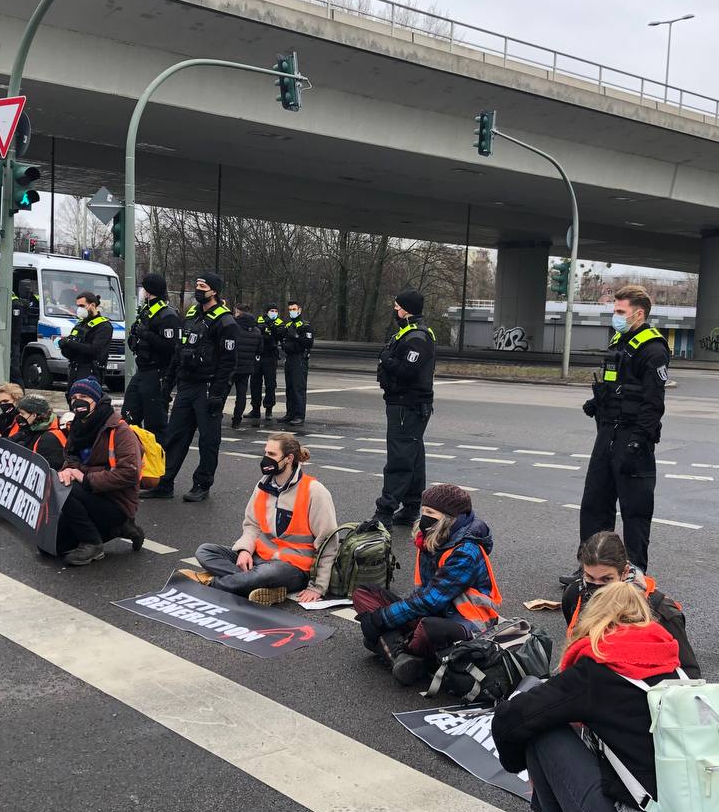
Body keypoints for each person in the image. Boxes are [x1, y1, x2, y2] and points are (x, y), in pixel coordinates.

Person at [492, 582, 714, 812]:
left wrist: (522, 763)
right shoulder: (676, 668)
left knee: (542, 729)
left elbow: (512, 720)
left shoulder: (596, 671)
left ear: (596, 618)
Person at [354, 484, 499, 685]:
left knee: (426, 628)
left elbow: (430, 601)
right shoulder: (432, 537)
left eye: (430, 513)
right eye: (423, 511)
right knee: (364, 593)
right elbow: (423, 600)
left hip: (467, 624)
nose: (423, 518)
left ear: (450, 517)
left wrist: (381, 620)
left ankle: (391, 646)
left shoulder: (466, 551)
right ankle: (403, 654)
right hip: (432, 613)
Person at [576, 284, 669, 577]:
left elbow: (653, 405)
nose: (615, 316)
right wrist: (597, 401)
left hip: (633, 438)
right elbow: (615, 384)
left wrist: (638, 443)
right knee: (595, 503)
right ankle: (590, 569)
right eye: (615, 310)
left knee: (635, 510)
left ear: (638, 313)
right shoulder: (619, 341)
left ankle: (635, 574)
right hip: (607, 434)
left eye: (620, 311)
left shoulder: (653, 350)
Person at [184, 432, 339, 604]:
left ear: (288, 459)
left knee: (267, 574)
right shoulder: (263, 485)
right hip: (260, 558)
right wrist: (245, 551)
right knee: (205, 551)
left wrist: (317, 587)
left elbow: (328, 542)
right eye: (265, 453)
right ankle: (257, 585)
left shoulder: (314, 491)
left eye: (272, 455)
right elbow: (252, 525)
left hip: (293, 567)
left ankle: (211, 583)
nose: (266, 459)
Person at [142, 273, 238, 503]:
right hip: (187, 385)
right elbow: (178, 350)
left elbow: (228, 362)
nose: (198, 290)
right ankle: (165, 483)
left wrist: (218, 393)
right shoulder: (192, 315)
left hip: (207, 387)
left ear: (214, 291)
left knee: (208, 440)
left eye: (202, 286)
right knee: (175, 436)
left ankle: (202, 484)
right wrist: (169, 382)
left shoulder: (225, 321)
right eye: (197, 285)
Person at [561, 531, 700, 676]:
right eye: (589, 577)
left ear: (625, 572)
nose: (596, 588)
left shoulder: (660, 610)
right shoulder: (574, 595)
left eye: (606, 579)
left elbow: (690, 674)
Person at [56, 377, 145, 566]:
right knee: (54, 546)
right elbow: (71, 458)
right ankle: (119, 529)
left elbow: (130, 473)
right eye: (74, 397)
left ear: (96, 400)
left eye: (83, 396)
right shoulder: (78, 426)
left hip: (116, 501)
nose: (77, 401)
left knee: (67, 490)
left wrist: (84, 477)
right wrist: (67, 470)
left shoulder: (119, 430)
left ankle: (93, 543)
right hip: (90, 495)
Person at [372, 289, 436, 529]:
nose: (395, 310)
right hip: (409, 404)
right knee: (414, 456)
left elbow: (408, 370)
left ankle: (385, 511)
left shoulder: (416, 337)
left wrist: (386, 359)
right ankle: (410, 507)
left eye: (397, 306)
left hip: (406, 404)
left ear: (407, 309)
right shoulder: (410, 332)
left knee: (400, 457)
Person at [122, 273, 181, 438]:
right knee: (128, 417)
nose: (141, 292)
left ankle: (157, 461)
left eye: (143, 288)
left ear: (148, 291)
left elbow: (172, 347)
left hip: (157, 374)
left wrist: (147, 334)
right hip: (142, 371)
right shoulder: (146, 312)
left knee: (155, 424)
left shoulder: (167, 315)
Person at [59, 290, 112, 384]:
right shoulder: (80, 324)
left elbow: (94, 350)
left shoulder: (104, 326)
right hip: (74, 370)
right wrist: (64, 346)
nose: (79, 309)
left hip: (90, 372)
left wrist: (70, 343)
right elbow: (72, 350)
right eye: (78, 306)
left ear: (92, 305)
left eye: (82, 306)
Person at [9, 393, 68, 469]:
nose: (19, 416)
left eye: (22, 413)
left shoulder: (50, 438)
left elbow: (46, 468)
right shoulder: (28, 426)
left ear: (34, 415)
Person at [249, 302, 284, 423]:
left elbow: (279, 335)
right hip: (258, 356)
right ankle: (255, 409)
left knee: (270, 384)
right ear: (267, 311)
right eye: (271, 311)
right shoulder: (259, 320)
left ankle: (269, 409)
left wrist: (271, 328)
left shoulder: (279, 323)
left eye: (275, 311)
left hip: (270, 356)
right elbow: (255, 334)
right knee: (255, 383)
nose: (274, 313)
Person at [230, 302, 263, 429]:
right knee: (241, 395)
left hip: (232, 366)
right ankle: (237, 420)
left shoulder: (234, 327)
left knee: (223, 392)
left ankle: (216, 415)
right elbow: (259, 350)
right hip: (247, 367)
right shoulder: (256, 331)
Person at [280, 299, 313, 425]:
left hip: (299, 359)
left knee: (298, 388)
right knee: (289, 388)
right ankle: (290, 413)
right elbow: (283, 340)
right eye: (289, 310)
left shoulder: (305, 326)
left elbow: (309, 343)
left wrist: (297, 337)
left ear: (299, 310)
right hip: (289, 358)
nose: (291, 312)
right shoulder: (288, 325)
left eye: (294, 309)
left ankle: (299, 415)